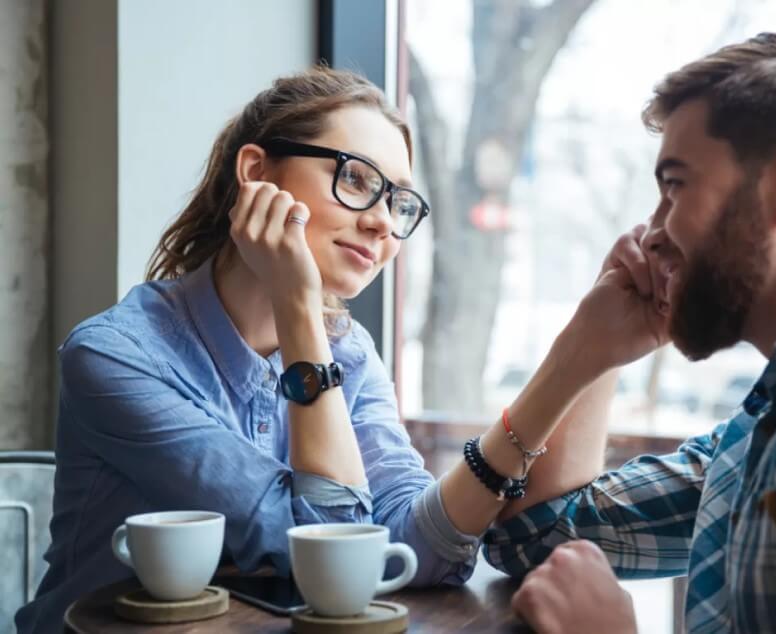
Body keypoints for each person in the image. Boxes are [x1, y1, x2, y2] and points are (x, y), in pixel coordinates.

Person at [16, 66, 614, 633]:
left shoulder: (350, 354)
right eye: (356, 179)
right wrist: (299, 306)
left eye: (400, 203)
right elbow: (337, 546)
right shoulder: (115, 357)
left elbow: (426, 552)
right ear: (255, 172)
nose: (383, 223)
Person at [482, 31, 776, 633]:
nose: (649, 234)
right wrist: (589, 349)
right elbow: (538, 535)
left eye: (675, 186)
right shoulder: (768, 423)